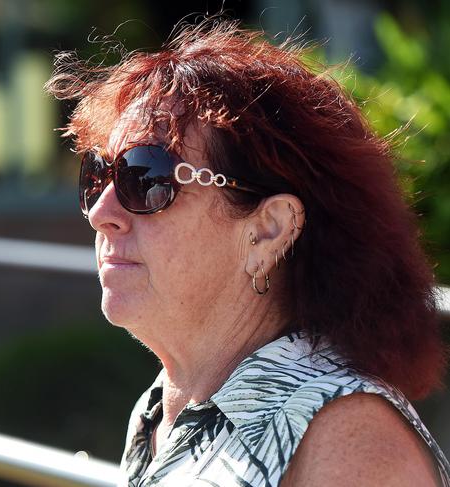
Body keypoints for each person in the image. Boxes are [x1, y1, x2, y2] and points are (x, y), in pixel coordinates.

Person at [46, 16, 450, 487]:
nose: (101, 210)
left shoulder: (349, 445)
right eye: (99, 174)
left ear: (269, 229)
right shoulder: (164, 409)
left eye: (146, 179)